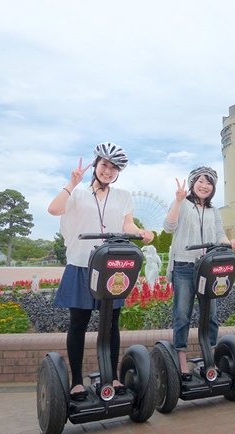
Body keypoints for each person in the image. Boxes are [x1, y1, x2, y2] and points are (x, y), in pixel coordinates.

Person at [48, 142, 154, 401]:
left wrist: (140, 232)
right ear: (96, 165)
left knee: (111, 324)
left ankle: (112, 376)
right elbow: (54, 209)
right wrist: (72, 182)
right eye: (104, 165)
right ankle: (76, 382)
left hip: (111, 265)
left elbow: (127, 223)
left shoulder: (123, 196)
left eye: (113, 168)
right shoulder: (78, 194)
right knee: (79, 324)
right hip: (81, 263)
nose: (108, 171)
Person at [164, 166, 235, 381]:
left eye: (209, 183)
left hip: (208, 267)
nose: (204, 186)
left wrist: (229, 243)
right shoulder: (182, 204)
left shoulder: (213, 210)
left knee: (211, 315)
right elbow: (169, 227)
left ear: (213, 188)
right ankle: (182, 363)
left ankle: (211, 360)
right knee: (182, 315)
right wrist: (178, 201)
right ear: (192, 183)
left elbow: (219, 234)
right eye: (201, 181)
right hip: (184, 266)